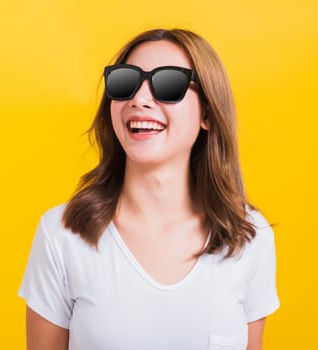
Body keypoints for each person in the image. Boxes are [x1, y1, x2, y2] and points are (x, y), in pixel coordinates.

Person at [18, 28, 280, 350]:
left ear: (208, 114)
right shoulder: (62, 235)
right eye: (125, 82)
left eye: (169, 84)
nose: (139, 100)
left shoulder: (249, 238)